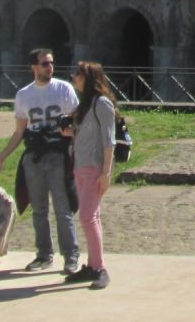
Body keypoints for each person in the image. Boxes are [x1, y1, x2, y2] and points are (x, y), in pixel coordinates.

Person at [0, 49, 81, 275]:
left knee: (63, 208)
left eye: (51, 63)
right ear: (34, 67)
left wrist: (77, 150)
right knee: (38, 209)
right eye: (44, 64)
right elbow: (19, 131)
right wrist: (2, 156)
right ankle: (44, 254)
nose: (49, 67)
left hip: (58, 154)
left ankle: (71, 256)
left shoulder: (63, 89)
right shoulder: (24, 95)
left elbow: (78, 122)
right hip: (34, 156)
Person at [61, 61, 116, 289]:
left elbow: (108, 141)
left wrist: (106, 172)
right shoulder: (85, 104)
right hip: (80, 166)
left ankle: (100, 268)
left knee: (86, 217)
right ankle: (92, 265)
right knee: (92, 217)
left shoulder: (102, 104)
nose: (74, 77)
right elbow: (85, 135)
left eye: (78, 74)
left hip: (94, 168)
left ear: (89, 77)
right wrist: (70, 131)